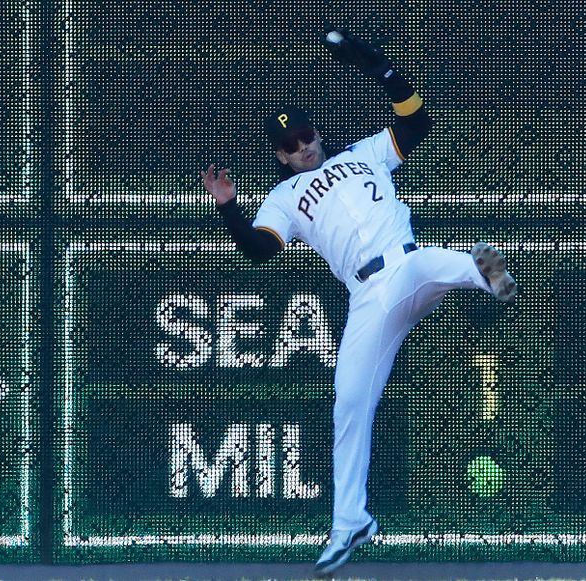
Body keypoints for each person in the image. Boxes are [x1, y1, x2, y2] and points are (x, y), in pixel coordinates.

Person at [201, 30, 517, 576]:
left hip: (404, 262)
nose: (304, 146)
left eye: (307, 135)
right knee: (349, 404)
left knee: (429, 264)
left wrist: (373, 63)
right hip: (368, 298)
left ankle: (482, 268)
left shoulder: (361, 153)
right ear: (280, 156)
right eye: (292, 144)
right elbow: (258, 251)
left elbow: (415, 120)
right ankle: (350, 522)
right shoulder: (283, 198)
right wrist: (229, 208)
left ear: (316, 133)